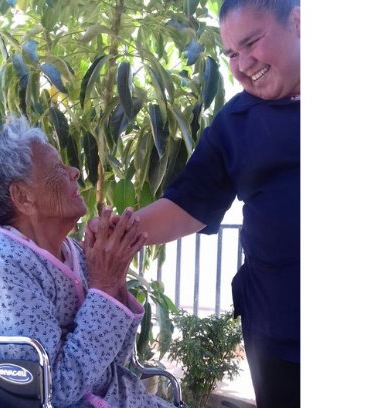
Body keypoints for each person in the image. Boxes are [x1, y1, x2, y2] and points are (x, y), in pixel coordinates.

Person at [93, 1, 301, 406]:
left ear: (297, 21)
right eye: (231, 54)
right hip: (277, 331)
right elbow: (189, 203)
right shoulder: (235, 123)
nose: (242, 65)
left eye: (251, 43)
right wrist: (118, 234)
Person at [0, 115, 175, 408]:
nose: (75, 172)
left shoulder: (71, 251)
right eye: (58, 169)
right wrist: (103, 285)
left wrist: (113, 278)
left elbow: (115, 360)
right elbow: (51, 391)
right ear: (23, 197)